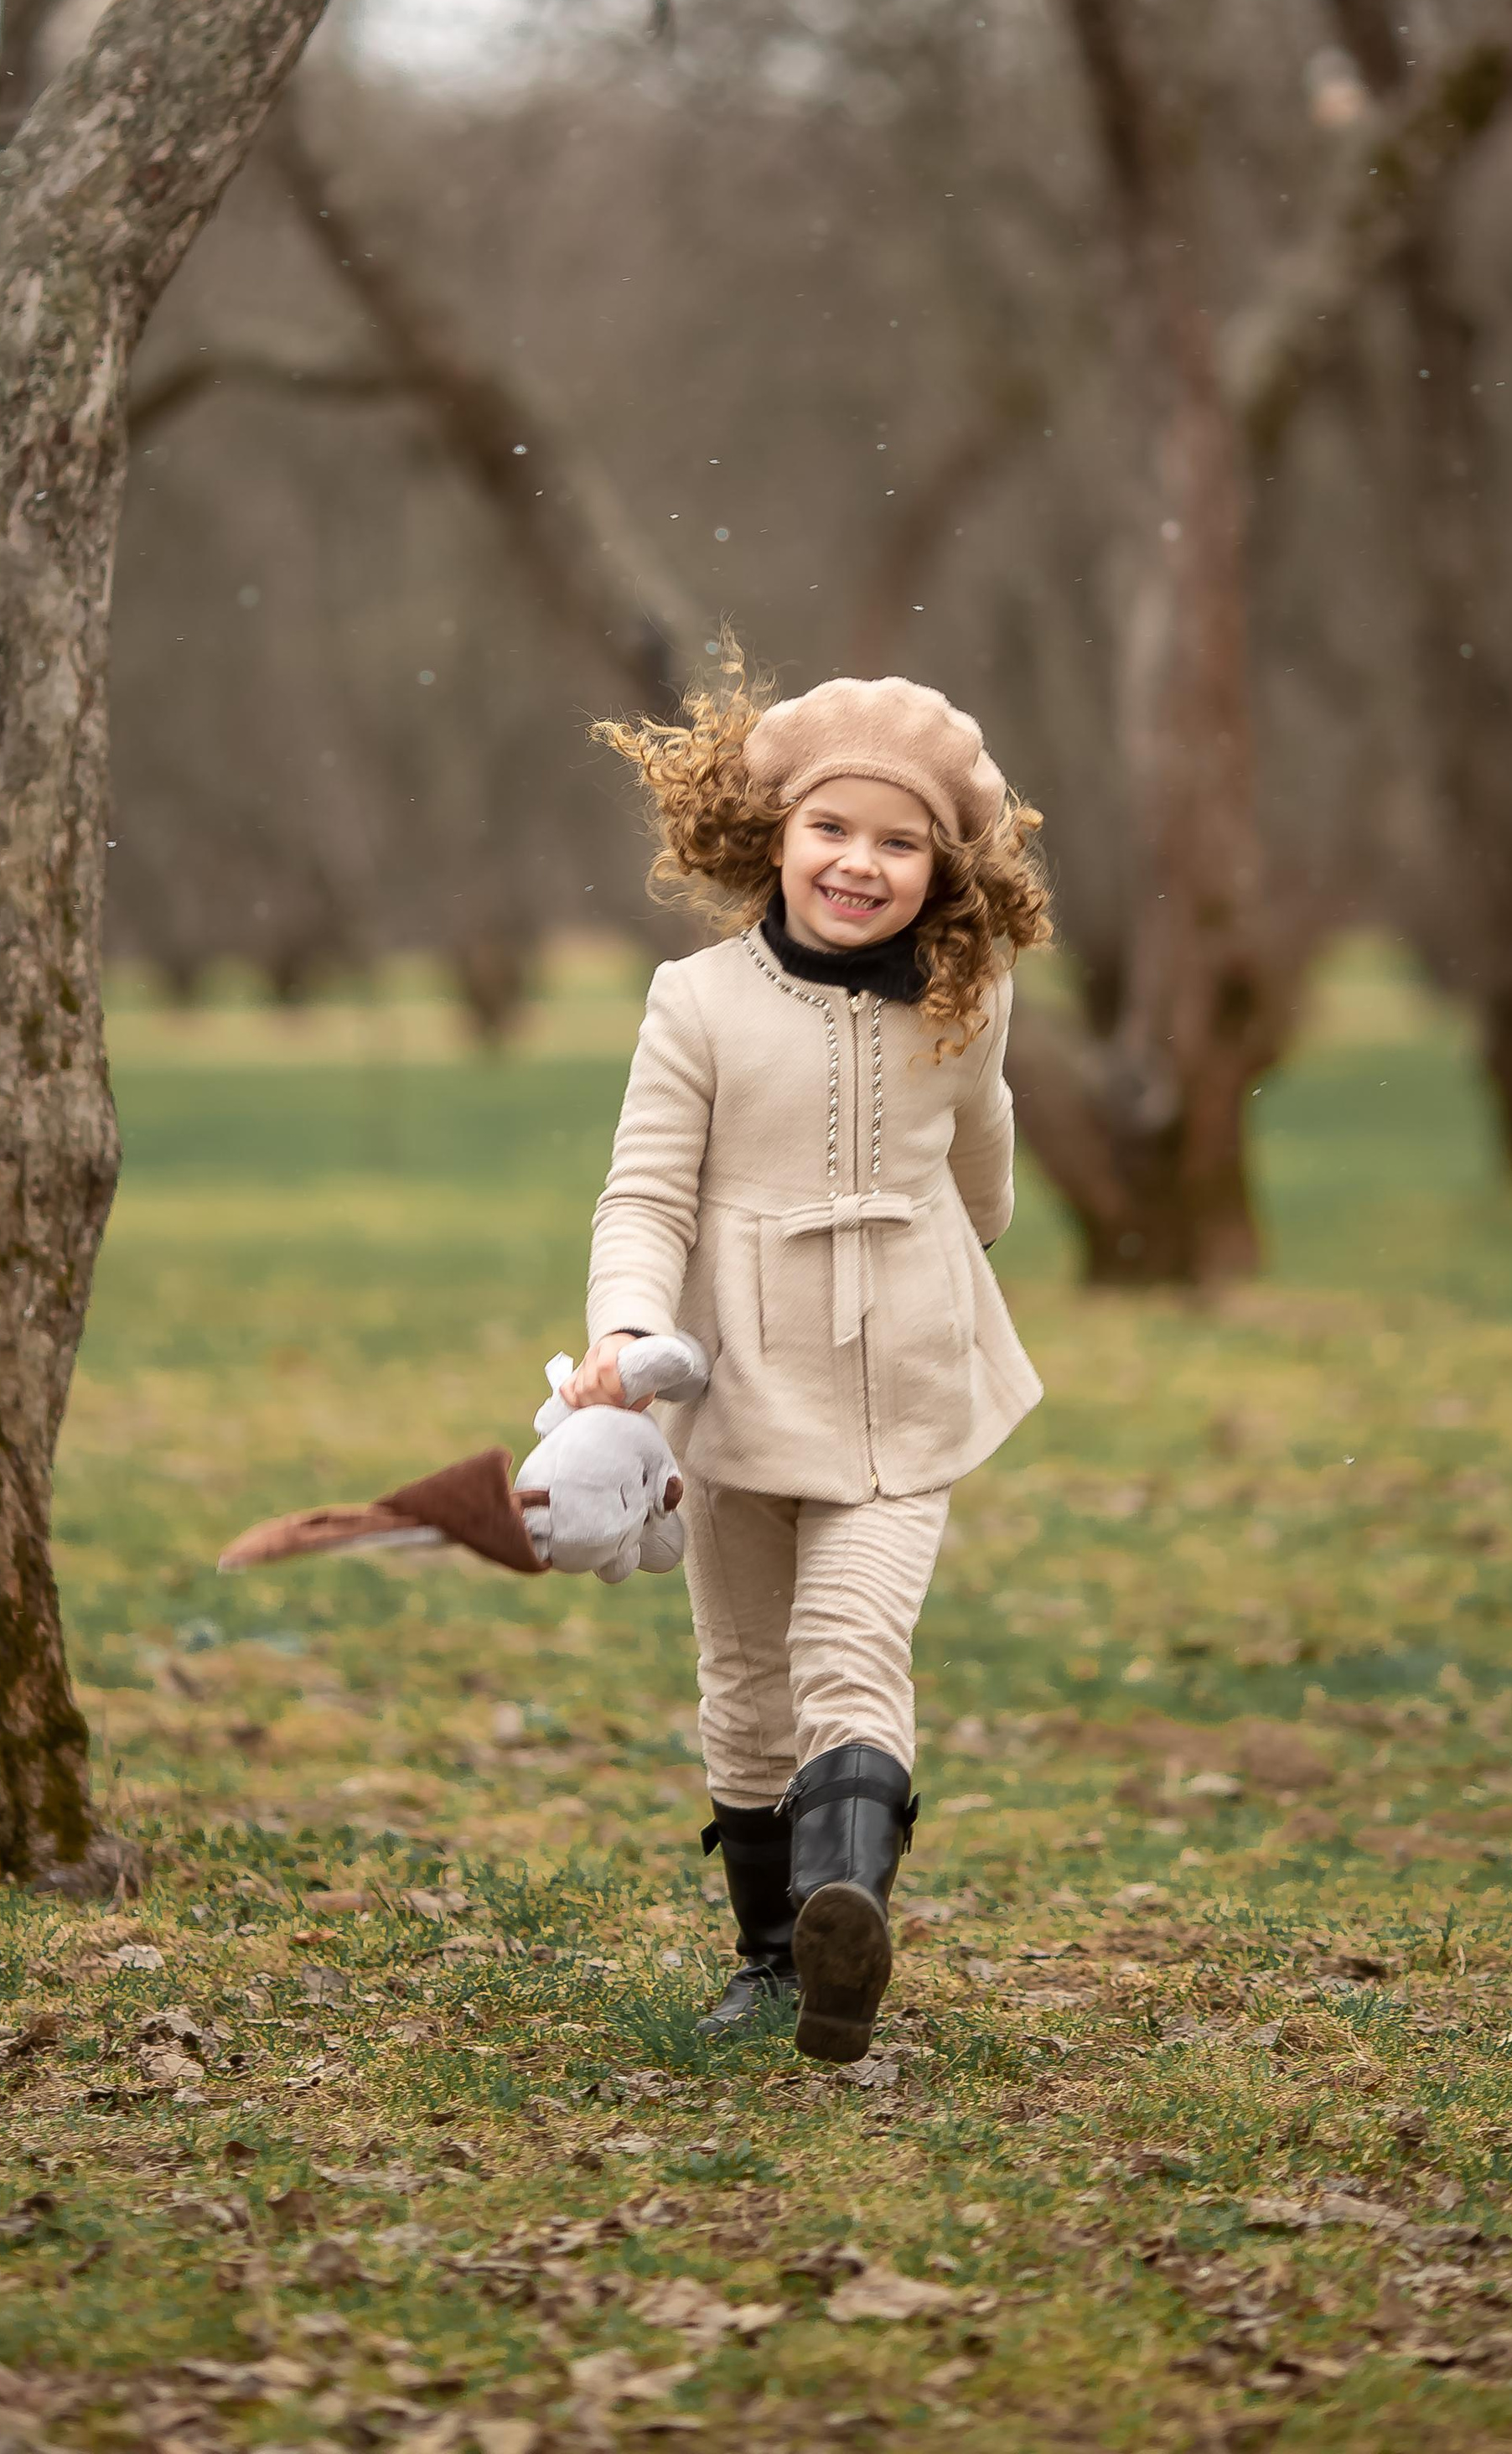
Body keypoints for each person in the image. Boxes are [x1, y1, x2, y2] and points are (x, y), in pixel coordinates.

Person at [564, 667, 1051, 2062]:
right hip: (730, 1383)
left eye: (900, 844)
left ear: (940, 872)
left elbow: (986, 1169)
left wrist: (943, 1258)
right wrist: (624, 1331)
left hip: (907, 1381)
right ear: (774, 835)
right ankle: (773, 1957)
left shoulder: (971, 995)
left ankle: (849, 1906)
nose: (861, 864)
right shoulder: (698, 1000)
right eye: (832, 829)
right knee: (746, 1677)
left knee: (852, 1643)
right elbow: (644, 1193)